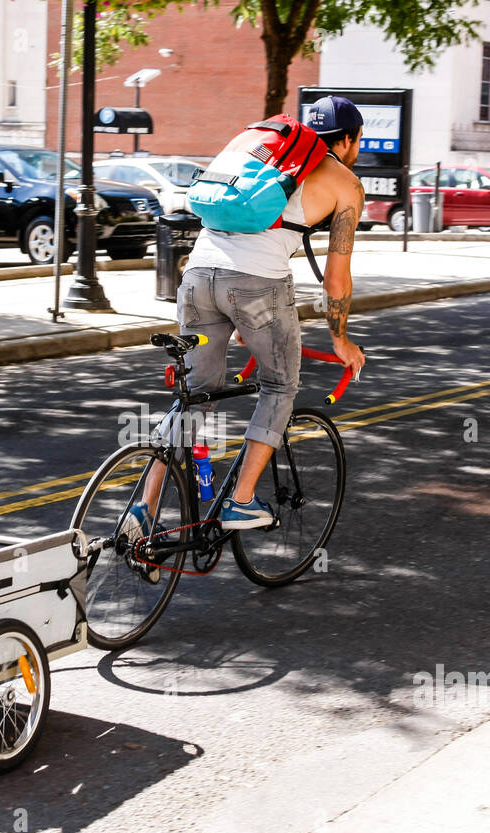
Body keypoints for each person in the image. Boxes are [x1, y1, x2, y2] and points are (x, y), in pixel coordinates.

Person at [136, 95, 367, 535]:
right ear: (350, 138)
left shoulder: (271, 155)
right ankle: (240, 502)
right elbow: (336, 280)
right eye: (359, 141)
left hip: (198, 274)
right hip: (257, 284)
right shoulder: (346, 183)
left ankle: (142, 508)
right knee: (281, 385)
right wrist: (341, 339)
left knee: (198, 393)